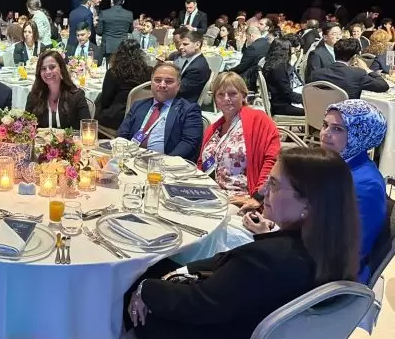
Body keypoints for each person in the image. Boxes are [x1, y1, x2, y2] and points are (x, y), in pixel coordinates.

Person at [127, 147, 360, 339]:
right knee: (166, 271)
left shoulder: (267, 260)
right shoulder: (333, 253)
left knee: (130, 286)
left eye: (274, 184)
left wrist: (145, 289)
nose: (263, 190)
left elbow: (200, 304)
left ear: (308, 203)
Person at [319, 100, 387, 282]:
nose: (325, 134)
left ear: (360, 135)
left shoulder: (366, 185)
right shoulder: (334, 164)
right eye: (325, 125)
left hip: (333, 277)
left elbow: (348, 252)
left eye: (337, 129)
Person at [198, 72, 280, 210]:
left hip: (242, 198)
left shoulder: (259, 120)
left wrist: (258, 196)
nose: (226, 99)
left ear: (243, 95)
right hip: (212, 195)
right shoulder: (214, 128)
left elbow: (272, 160)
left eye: (232, 94)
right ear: (215, 100)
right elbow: (202, 163)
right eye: (220, 95)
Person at [118, 63, 203, 161]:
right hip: (131, 159)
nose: (162, 85)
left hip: (165, 164)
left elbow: (189, 143)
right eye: (157, 80)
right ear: (151, 82)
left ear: (178, 85)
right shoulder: (139, 105)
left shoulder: (189, 110)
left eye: (169, 81)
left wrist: (165, 162)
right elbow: (123, 133)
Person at [25, 49, 90, 129]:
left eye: (52, 67)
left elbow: (87, 128)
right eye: (43, 69)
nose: (48, 72)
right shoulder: (33, 96)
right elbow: (26, 128)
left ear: (61, 69)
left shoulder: (77, 96)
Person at [96, 39, 152, 129]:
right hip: (142, 115)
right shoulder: (149, 71)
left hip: (119, 118)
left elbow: (106, 101)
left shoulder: (113, 73)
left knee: (95, 106)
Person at [309, 38, 389, 100]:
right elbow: (383, 86)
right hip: (348, 114)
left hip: (321, 112)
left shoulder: (317, 74)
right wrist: (367, 69)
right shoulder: (357, 74)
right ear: (354, 57)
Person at [262, 38, 305, 116]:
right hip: (282, 106)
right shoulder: (278, 68)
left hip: (276, 103)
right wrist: (306, 98)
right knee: (316, 111)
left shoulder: (269, 64)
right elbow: (288, 94)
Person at [97, 0, 133, 64]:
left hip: (107, 48)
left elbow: (99, 32)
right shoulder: (129, 14)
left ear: (111, 0)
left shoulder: (104, 13)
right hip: (123, 47)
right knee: (121, 69)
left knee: (107, 68)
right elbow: (131, 30)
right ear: (123, 1)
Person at [229, 24, 269, 90]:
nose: (246, 40)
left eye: (246, 37)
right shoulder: (267, 43)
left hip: (250, 78)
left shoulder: (252, 47)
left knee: (226, 76)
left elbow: (241, 67)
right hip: (262, 76)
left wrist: (229, 71)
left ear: (251, 36)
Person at [176, 29, 211, 103]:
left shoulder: (197, 67)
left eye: (185, 44)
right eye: (180, 44)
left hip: (183, 104)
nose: (180, 47)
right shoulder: (193, 60)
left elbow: (179, 89)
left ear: (197, 45)